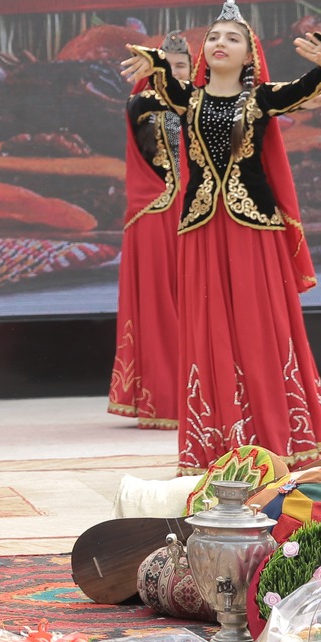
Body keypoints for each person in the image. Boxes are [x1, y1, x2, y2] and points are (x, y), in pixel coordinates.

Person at [121, 0, 321, 474]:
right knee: (207, 329)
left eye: (234, 38)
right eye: (215, 37)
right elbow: (163, 78)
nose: (221, 43)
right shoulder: (189, 99)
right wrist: (155, 59)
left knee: (261, 327)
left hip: (253, 230)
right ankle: (217, 443)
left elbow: (306, 87)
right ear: (205, 54)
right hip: (201, 229)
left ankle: (279, 436)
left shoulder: (261, 99)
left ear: (250, 55)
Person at [109, 36, 190, 430]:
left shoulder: (199, 103)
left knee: (194, 304)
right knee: (159, 307)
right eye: (167, 65)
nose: (172, 73)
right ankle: (162, 399)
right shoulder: (141, 105)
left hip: (193, 213)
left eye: (181, 67)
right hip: (154, 213)